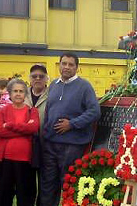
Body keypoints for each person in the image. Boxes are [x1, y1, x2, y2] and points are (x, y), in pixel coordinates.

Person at [40, 53, 101, 206]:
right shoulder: (54, 84)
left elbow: (94, 112)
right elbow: (48, 110)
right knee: (47, 185)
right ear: (59, 65)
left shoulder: (84, 86)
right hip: (50, 144)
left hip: (71, 145)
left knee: (68, 184)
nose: (66, 67)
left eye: (70, 64)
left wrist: (72, 124)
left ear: (76, 67)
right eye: (64, 63)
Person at [0, 79, 40, 206]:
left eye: (21, 91)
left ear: (25, 94)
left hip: (25, 159)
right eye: (15, 91)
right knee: (4, 194)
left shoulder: (32, 111)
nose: (18, 94)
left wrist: (9, 125)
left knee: (25, 194)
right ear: (9, 93)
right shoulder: (3, 111)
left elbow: (33, 128)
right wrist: (24, 128)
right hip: (4, 159)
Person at [24, 64, 49, 206]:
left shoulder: (53, 94)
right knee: (27, 181)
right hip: (26, 144)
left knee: (44, 181)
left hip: (46, 144)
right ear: (30, 79)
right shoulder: (22, 93)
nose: (38, 79)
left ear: (46, 79)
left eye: (41, 76)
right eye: (34, 76)